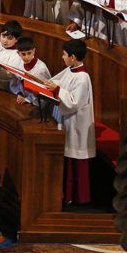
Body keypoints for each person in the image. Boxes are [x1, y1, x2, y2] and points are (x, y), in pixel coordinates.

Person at [44, 39, 95, 205]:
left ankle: (79, 198)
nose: (62, 57)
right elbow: (60, 81)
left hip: (77, 124)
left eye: (64, 54)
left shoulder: (82, 77)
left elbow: (74, 102)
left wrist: (57, 89)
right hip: (68, 122)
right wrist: (50, 84)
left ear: (73, 57)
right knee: (69, 159)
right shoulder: (71, 70)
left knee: (76, 161)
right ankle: (69, 196)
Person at [11, 37, 52, 106]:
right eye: (23, 54)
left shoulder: (41, 69)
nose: (26, 57)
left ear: (34, 51)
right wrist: (19, 93)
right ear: (18, 53)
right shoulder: (18, 64)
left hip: (36, 104)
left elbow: (45, 91)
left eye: (29, 53)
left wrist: (29, 99)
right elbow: (16, 81)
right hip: (22, 99)